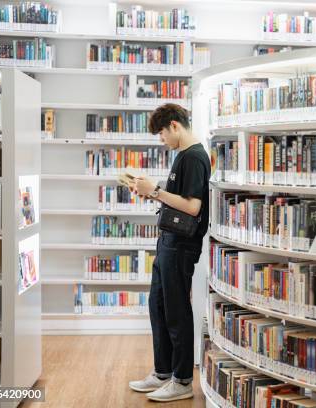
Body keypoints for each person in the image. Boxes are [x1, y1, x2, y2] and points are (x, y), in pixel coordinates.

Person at [128, 104, 210, 402]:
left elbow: (192, 206)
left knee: (176, 311)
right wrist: (154, 190)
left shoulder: (195, 157)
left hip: (181, 247)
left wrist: (154, 191)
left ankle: (183, 379)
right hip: (168, 242)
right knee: (158, 307)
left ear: (174, 126)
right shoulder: (183, 156)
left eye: (162, 133)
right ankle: (163, 372)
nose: (161, 139)